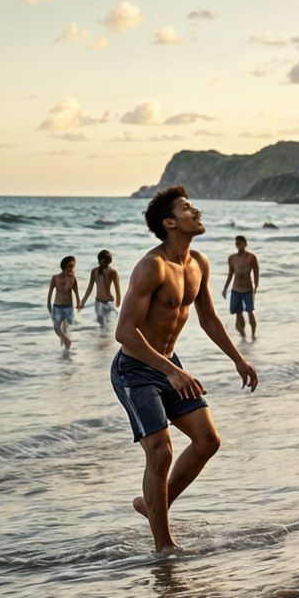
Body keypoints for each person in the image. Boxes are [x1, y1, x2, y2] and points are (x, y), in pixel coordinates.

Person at [110, 186, 258, 554]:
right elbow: (124, 332)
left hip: (168, 364)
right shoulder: (152, 266)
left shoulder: (198, 263)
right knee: (160, 451)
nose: (197, 211)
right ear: (170, 222)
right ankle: (164, 546)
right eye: (187, 208)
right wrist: (171, 372)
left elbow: (208, 317)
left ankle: (151, 505)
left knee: (208, 440)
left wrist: (237, 358)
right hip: (135, 369)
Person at [222, 236, 260, 339]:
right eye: (237, 243)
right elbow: (230, 274)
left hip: (248, 289)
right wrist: (225, 288)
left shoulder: (251, 257)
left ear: (245, 244)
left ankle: (253, 335)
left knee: (250, 311)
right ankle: (243, 335)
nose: (238, 245)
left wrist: (256, 287)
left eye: (240, 243)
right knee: (238, 313)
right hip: (236, 289)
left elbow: (256, 273)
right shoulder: (232, 258)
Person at [81, 249, 122, 329]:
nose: (106, 264)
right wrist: (83, 302)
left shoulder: (112, 272)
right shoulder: (94, 271)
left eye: (107, 262)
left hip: (109, 302)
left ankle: (107, 338)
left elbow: (117, 288)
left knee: (111, 321)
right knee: (101, 320)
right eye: (104, 261)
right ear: (99, 260)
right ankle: (102, 338)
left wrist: (118, 301)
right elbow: (90, 287)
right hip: (98, 302)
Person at [47, 256, 81, 350]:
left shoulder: (73, 279)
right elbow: (50, 292)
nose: (71, 268)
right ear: (64, 266)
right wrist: (48, 304)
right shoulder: (55, 278)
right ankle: (66, 341)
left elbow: (76, 292)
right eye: (69, 266)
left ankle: (65, 340)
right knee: (56, 327)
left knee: (70, 323)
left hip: (68, 307)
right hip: (57, 306)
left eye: (73, 266)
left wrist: (78, 303)